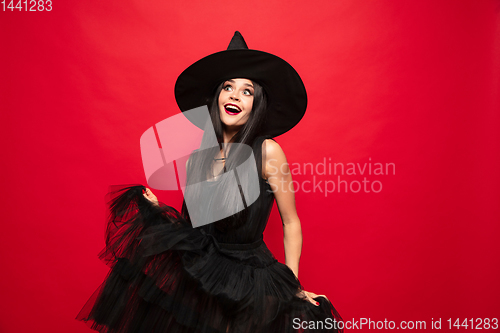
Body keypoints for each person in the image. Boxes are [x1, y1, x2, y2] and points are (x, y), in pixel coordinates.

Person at [77, 31, 343, 332]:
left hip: (251, 280)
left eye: (247, 91)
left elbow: (291, 222)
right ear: (216, 97)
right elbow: (194, 232)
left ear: (256, 104)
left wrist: (291, 285)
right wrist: (157, 215)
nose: (234, 95)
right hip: (206, 276)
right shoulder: (197, 159)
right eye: (228, 87)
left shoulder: (268, 152)